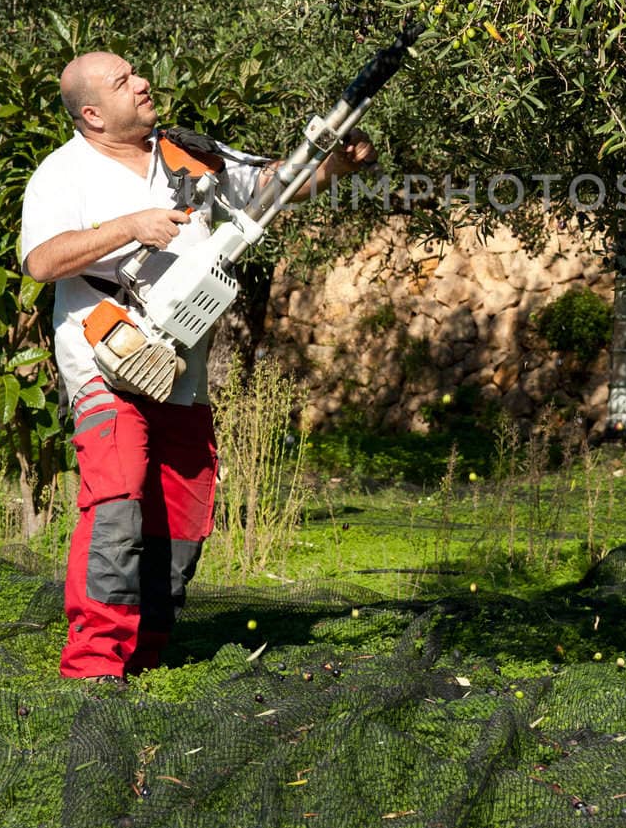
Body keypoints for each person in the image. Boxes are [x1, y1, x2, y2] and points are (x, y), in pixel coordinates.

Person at [20, 50, 373, 681]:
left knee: (182, 504)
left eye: (137, 72)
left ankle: (149, 647)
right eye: (124, 81)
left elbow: (271, 186)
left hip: (183, 360)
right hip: (105, 354)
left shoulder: (188, 151)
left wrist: (334, 167)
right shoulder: (61, 174)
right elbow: (43, 261)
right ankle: (94, 665)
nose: (143, 83)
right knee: (118, 496)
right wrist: (130, 226)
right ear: (93, 114)